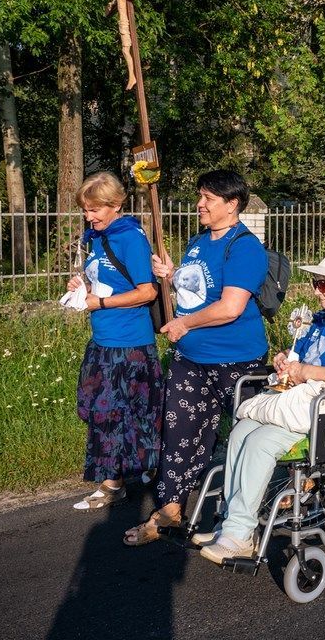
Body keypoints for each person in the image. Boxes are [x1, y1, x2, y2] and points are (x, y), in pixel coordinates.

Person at [196, 248, 325, 564]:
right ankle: (231, 524)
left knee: (259, 443)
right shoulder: (323, 320)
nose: (316, 290)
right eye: (316, 282)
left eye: (324, 284)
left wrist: (307, 372)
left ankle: (239, 533)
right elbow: (304, 360)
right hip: (308, 401)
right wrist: (287, 361)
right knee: (242, 431)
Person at [124, 169, 269, 546]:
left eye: (208, 198)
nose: (199, 204)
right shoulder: (199, 241)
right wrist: (170, 274)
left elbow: (231, 307)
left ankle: (242, 520)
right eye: (200, 196)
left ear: (232, 204)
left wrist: (184, 324)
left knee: (245, 440)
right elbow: (196, 289)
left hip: (237, 363)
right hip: (191, 360)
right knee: (178, 435)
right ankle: (169, 511)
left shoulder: (244, 247)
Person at [67, 172, 163, 510]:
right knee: (96, 410)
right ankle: (130, 471)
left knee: (125, 413)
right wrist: (85, 290)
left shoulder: (130, 238)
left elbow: (147, 291)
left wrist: (101, 302)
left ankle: (117, 481)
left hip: (130, 343)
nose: (89, 217)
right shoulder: (95, 237)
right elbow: (107, 281)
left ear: (116, 205)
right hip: (102, 341)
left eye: (95, 210)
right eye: (86, 210)